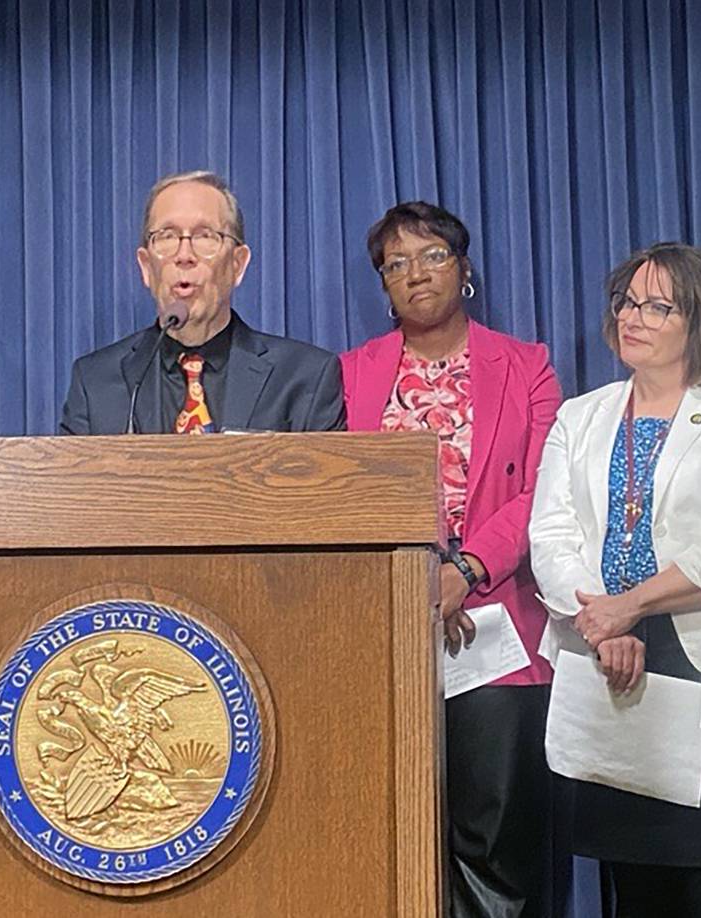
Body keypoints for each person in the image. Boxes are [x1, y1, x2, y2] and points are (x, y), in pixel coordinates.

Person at [341, 202, 562, 917]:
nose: (415, 274)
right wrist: (410, 584)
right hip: (386, 628)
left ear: (464, 270)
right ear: (383, 286)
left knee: (495, 836)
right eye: (395, 264)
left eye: (432, 255)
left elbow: (543, 491)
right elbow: (335, 491)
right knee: (387, 830)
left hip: (499, 630)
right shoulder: (349, 374)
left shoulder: (526, 366)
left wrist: (463, 573)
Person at [529, 242, 701, 916]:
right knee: (636, 887)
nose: (635, 317)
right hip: (608, 664)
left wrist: (631, 607)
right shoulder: (582, 416)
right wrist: (600, 623)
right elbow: (551, 536)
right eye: (629, 301)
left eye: (659, 306)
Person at [60, 171, 345, 434]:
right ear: (146, 267)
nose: (184, 255)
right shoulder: (95, 383)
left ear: (238, 264)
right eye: (167, 237)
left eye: (205, 236)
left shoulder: (305, 377)